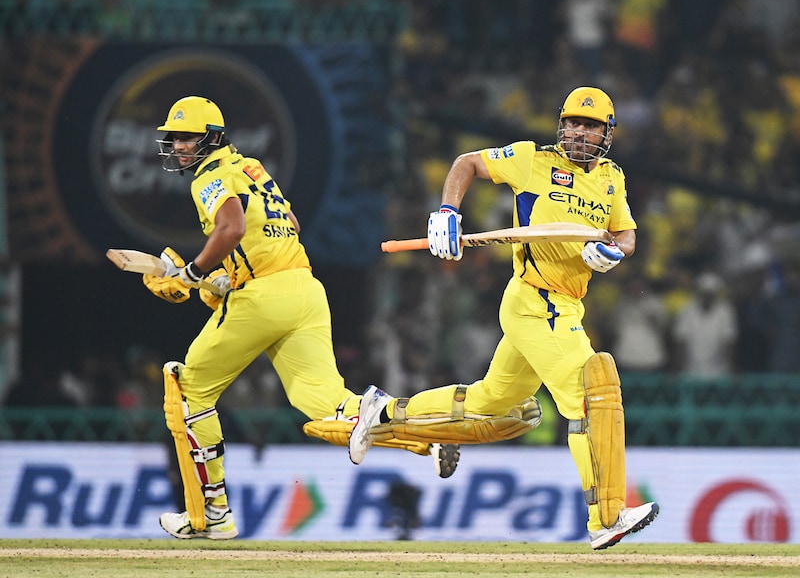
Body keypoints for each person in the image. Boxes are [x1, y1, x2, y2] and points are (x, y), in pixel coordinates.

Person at [349, 87, 659, 550]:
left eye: (590, 125)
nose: (578, 131)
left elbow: (627, 234)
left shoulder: (612, 178)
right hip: (537, 300)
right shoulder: (533, 159)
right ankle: (605, 517)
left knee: (491, 401)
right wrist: (448, 214)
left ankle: (384, 410)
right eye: (572, 121)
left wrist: (612, 252)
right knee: (587, 396)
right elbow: (466, 163)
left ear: (608, 133)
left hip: (566, 304)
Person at [142, 96, 459, 540]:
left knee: (188, 388)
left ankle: (210, 514)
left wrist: (196, 273)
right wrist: (230, 277)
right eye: (174, 138)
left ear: (212, 137)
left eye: (187, 137)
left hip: (265, 296)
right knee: (327, 405)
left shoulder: (209, 175)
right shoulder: (251, 167)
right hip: (306, 290)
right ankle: (425, 436)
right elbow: (286, 220)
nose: (178, 146)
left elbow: (231, 228)